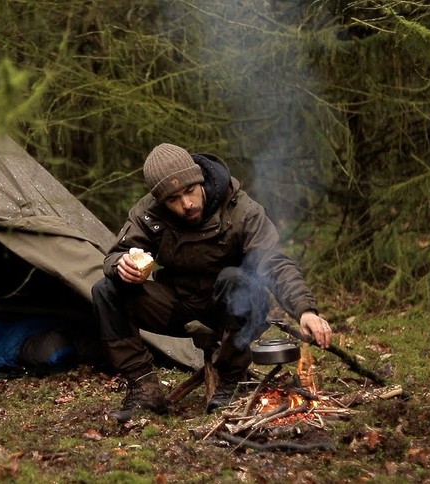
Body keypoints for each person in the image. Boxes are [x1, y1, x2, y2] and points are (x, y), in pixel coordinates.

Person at [92, 142, 332, 422]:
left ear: (200, 180)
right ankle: (144, 388)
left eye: (190, 191)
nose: (187, 204)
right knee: (106, 290)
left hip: (234, 307)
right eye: (174, 199)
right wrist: (120, 264)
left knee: (237, 279)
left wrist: (305, 309)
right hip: (179, 306)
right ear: (160, 200)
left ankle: (232, 378)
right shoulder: (149, 213)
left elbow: (274, 262)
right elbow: (116, 253)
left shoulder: (241, 209)